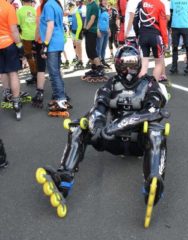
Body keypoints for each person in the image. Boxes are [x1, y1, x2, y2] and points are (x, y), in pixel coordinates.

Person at [35, 46, 170, 228]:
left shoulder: (150, 83)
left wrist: (118, 125)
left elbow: (153, 111)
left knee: (156, 130)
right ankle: (64, 178)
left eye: (131, 64)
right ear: (116, 65)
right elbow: (98, 108)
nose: (128, 70)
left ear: (139, 64)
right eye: (124, 65)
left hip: (138, 142)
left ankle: (153, 182)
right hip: (112, 141)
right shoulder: (111, 84)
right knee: (78, 127)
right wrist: (97, 125)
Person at [40, 0, 72, 117]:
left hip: (52, 43)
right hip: (58, 41)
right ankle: (62, 95)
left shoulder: (48, 5)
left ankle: (60, 99)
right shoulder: (56, 4)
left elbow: (50, 25)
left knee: (53, 73)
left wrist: (45, 44)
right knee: (56, 72)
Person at [0, 0, 24, 120]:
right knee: (13, 73)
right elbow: (14, 30)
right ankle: (16, 102)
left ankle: (6, 93)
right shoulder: (8, 7)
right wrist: (19, 46)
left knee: (3, 71)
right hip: (9, 43)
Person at [134, 0, 168, 81]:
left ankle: (140, 87)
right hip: (155, 36)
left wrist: (138, 33)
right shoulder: (160, 4)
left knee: (144, 64)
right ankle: (153, 86)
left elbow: (135, 22)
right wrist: (165, 41)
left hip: (143, 35)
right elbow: (163, 25)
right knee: (159, 63)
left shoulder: (141, 3)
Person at [169, 0, 188, 74]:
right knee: (174, 46)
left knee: (187, 46)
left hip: (185, 26)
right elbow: (171, 13)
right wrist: (169, 26)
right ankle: (174, 66)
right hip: (175, 26)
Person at [81, 0, 105, 81]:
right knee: (88, 52)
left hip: (92, 31)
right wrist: (84, 28)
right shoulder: (88, 5)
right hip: (88, 30)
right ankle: (94, 69)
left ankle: (100, 69)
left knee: (92, 51)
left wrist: (87, 29)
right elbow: (87, 19)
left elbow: (92, 19)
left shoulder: (95, 5)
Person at [17, 0, 37, 85]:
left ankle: (34, 75)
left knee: (29, 56)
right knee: (37, 56)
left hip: (26, 37)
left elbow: (17, 26)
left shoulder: (19, 11)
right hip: (36, 36)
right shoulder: (34, 10)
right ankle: (38, 74)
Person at [31, 0, 46, 108]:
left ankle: (40, 92)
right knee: (55, 68)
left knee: (41, 68)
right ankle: (60, 91)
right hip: (55, 42)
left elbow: (38, 27)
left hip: (42, 42)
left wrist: (34, 41)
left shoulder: (40, 8)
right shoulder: (56, 5)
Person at [96, 0, 110, 68]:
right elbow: (97, 20)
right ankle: (98, 63)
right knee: (99, 47)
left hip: (106, 31)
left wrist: (109, 29)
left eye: (106, 0)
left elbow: (107, 21)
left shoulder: (106, 9)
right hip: (100, 31)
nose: (105, 1)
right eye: (104, 0)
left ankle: (103, 60)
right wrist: (97, 30)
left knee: (104, 48)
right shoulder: (99, 9)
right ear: (101, 1)